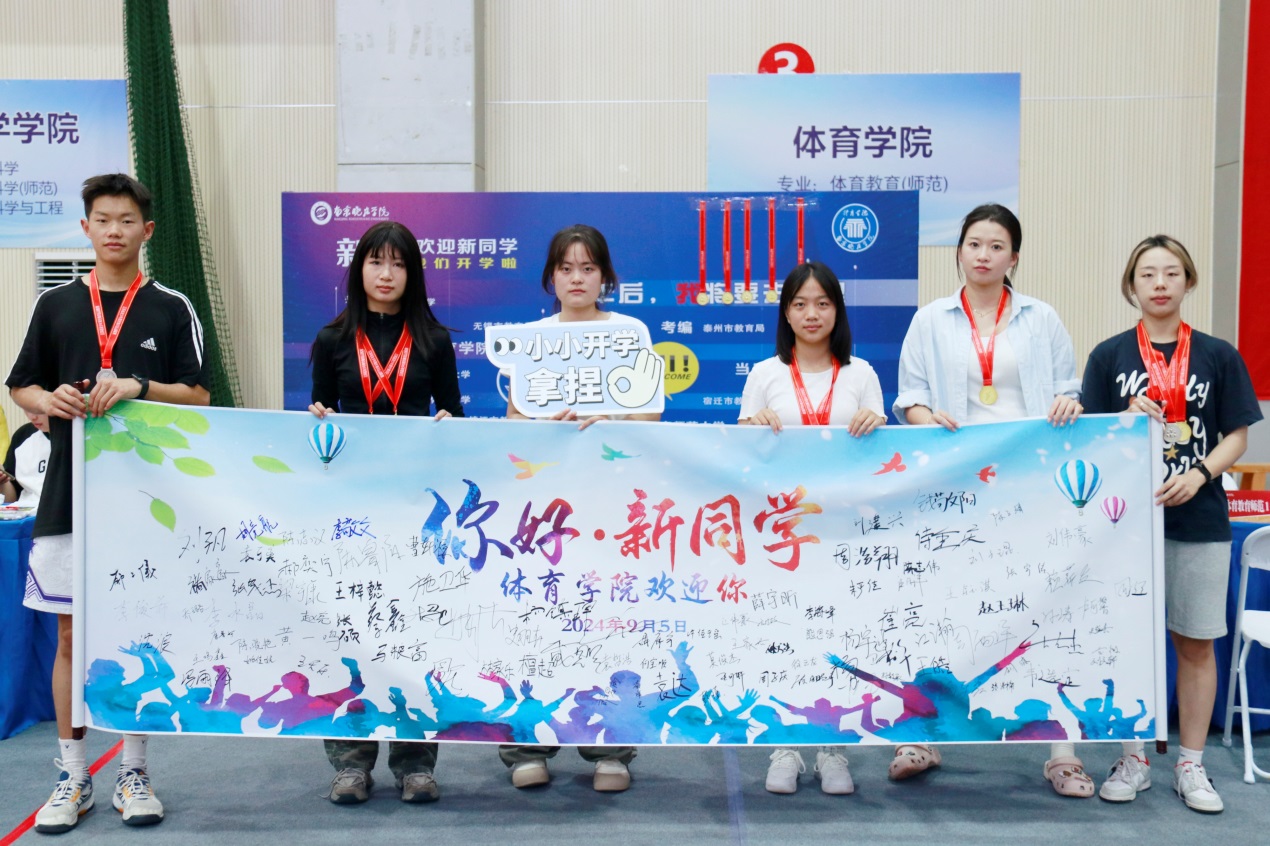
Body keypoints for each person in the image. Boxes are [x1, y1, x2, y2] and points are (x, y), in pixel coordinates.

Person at [6, 173, 211, 833]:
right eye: (103, 219)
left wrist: (137, 386)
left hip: (147, 501)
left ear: (146, 231)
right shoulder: (56, 305)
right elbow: (21, 386)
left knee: (136, 633)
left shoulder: (171, 307)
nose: (114, 230)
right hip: (69, 494)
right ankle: (72, 775)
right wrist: (48, 399)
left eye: (126, 220)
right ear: (86, 227)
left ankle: (133, 772)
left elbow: (200, 396)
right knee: (70, 633)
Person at [892, 203, 1086, 796]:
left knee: (1047, 610)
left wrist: (1070, 403)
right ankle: (923, 737)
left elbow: (1069, 390)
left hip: (1029, 487)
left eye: (996, 245)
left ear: (1013, 257)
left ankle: (1062, 751)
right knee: (938, 609)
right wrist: (925, 417)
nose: (983, 255)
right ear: (959, 251)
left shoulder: (1041, 318)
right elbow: (910, 398)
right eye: (974, 243)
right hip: (954, 488)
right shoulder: (930, 319)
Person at [1081, 235, 1261, 813]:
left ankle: (1191, 764)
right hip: (1124, 525)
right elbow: (1088, 437)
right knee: (1127, 641)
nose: (1160, 283)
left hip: (1199, 517)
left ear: (1188, 282)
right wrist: (1122, 415)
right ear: (1131, 286)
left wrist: (1200, 473)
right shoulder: (1109, 356)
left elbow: (1238, 434)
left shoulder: (1218, 354)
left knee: (1196, 642)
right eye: (1147, 274)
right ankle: (1133, 757)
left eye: (1172, 273)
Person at [500, 223, 660, 793]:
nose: (577, 278)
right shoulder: (531, 338)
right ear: (551, 277)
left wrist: (611, 418)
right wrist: (547, 424)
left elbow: (651, 416)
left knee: (610, 619)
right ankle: (528, 746)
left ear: (605, 276)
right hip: (543, 512)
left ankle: (611, 749)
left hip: (611, 505)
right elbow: (514, 423)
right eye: (566, 268)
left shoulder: (630, 332)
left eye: (588, 268)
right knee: (535, 619)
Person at [308, 220, 463, 804]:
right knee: (349, 632)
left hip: (416, 511)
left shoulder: (434, 339)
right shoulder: (332, 338)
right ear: (359, 270)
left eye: (398, 264)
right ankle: (351, 761)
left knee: (415, 634)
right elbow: (317, 424)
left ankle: (415, 762)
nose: (386, 274)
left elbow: (455, 417)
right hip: (352, 511)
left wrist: (448, 423)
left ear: (412, 273)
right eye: (376, 261)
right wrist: (318, 419)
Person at [737, 260, 885, 795]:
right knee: (782, 635)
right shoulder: (764, 374)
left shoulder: (861, 374)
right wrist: (751, 426)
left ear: (838, 310)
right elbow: (740, 455)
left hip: (843, 534)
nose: (812, 314)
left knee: (840, 638)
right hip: (781, 538)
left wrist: (878, 425)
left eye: (823, 303)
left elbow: (884, 456)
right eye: (800, 304)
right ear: (785, 313)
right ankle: (784, 746)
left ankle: (833, 749)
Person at [1, 409, 51, 508]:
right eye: (26, 409)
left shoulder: (78, 436)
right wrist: (2, 483)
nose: (32, 417)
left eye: (38, 409)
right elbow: (11, 498)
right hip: (24, 512)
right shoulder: (23, 436)